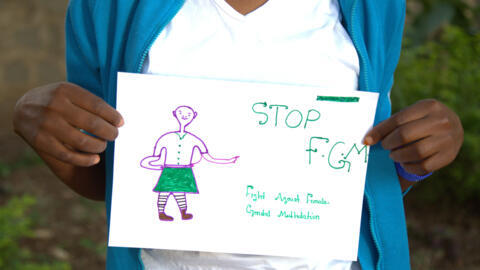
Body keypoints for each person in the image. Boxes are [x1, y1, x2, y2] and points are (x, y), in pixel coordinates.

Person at [12, 0, 464, 269]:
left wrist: (417, 155)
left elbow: (355, 176)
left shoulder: (373, 8)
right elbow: (110, 179)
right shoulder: (111, 7)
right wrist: (40, 126)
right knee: (175, 196)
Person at [140, 105, 238, 221]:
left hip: (184, 170)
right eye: (181, 113)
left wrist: (228, 160)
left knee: (181, 192)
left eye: (189, 115)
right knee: (164, 191)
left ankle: (183, 213)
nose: (185, 116)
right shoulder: (165, 138)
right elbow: (155, 157)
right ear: (175, 114)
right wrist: (151, 164)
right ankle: (161, 213)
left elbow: (208, 157)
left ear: (194, 116)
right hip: (169, 169)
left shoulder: (194, 139)